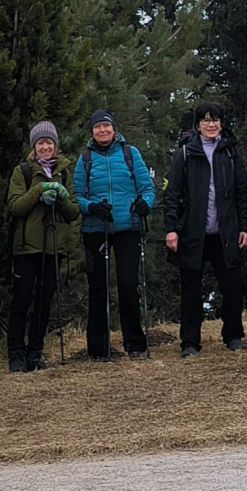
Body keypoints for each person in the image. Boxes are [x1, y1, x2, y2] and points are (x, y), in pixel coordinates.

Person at [164, 102, 247, 356]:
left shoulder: (231, 152)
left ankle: (234, 336)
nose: (211, 124)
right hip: (193, 233)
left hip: (226, 232)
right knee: (191, 289)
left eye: (215, 119)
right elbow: (173, 194)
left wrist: (245, 226)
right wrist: (171, 229)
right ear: (197, 125)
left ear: (222, 123)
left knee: (232, 286)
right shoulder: (184, 153)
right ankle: (190, 343)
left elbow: (242, 193)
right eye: (205, 120)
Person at [73, 109, 156, 361]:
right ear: (91, 132)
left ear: (114, 128)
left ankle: (135, 344)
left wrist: (146, 204)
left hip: (128, 227)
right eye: (97, 127)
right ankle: (98, 348)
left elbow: (147, 187)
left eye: (106, 126)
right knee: (98, 289)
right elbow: (77, 196)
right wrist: (92, 207)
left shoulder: (131, 154)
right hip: (96, 230)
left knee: (128, 285)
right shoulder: (85, 159)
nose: (102, 131)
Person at [5, 121, 80, 373]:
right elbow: (15, 206)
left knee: (44, 302)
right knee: (22, 301)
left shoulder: (66, 171)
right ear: (34, 147)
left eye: (49, 142)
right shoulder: (23, 171)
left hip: (53, 248)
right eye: (40, 143)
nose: (45, 147)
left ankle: (35, 352)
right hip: (27, 248)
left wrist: (60, 198)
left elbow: (73, 211)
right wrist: (40, 189)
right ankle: (16, 353)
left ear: (55, 145)